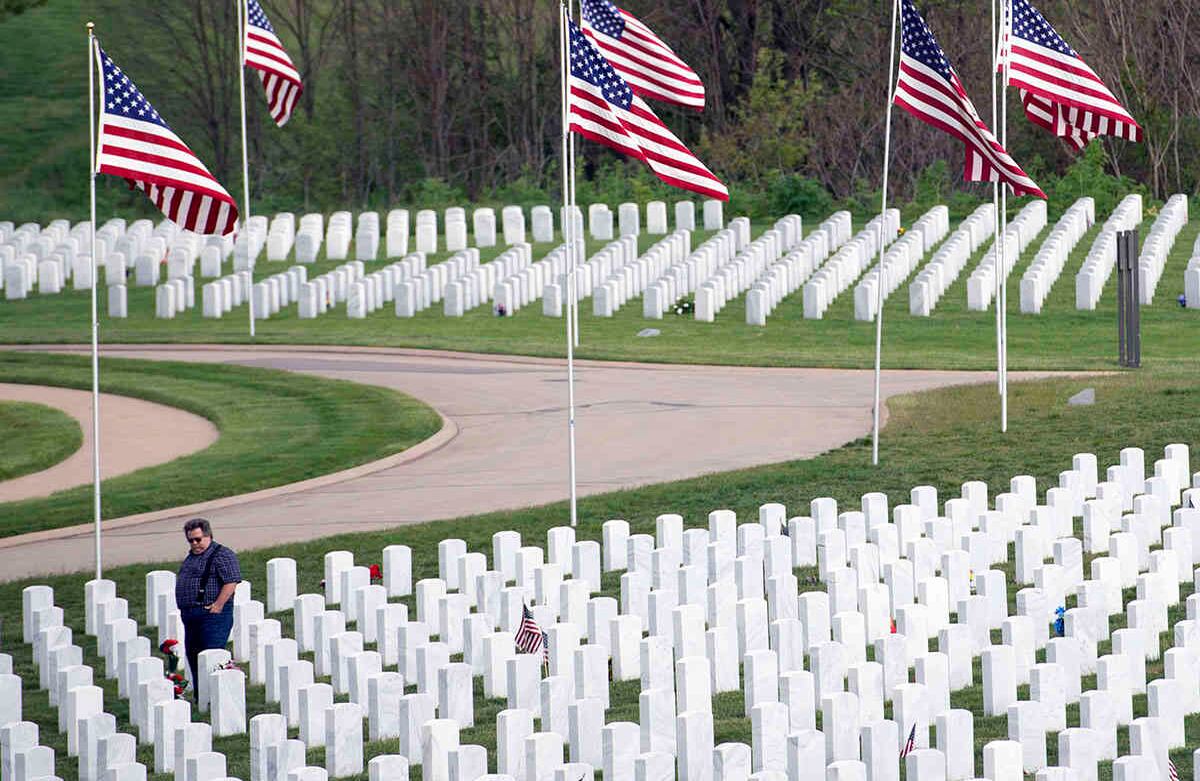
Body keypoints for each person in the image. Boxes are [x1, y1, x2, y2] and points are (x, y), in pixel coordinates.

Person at [175, 518, 242, 691]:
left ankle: (215, 696)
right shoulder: (191, 557)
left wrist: (218, 605)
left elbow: (231, 581)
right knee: (194, 658)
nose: (195, 543)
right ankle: (201, 698)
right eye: (191, 540)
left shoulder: (222, 554)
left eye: (198, 539)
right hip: (191, 617)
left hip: (212, 616)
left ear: (208, 535)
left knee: (211, 656)